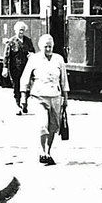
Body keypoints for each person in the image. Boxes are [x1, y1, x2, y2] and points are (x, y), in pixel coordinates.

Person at [20, 34, 69, 166]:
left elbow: (64, 80)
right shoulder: (34, 59)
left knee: (53, 126)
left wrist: (65, 99)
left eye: (50, 47)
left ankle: (48, 151)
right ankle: (42, 152)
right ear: (41, 47)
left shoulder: (58, 59)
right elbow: (25, 78)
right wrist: (23, 97)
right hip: (39, 97)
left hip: (55, 97)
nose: (48, 49)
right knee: (43, 125)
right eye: (46, 47)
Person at [2, 22, 35, 116]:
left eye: (23, 30)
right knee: (16, 86)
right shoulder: (11, 42)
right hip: (15, 68)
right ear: (15, 30)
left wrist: (32, 55)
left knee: (27, 86)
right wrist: (5, 68)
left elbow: (32, 51)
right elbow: (6, 56)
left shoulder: (28, 41)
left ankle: (24, 102)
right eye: (20, 30)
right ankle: (18, 105)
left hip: (26, 68)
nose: (21, 32)